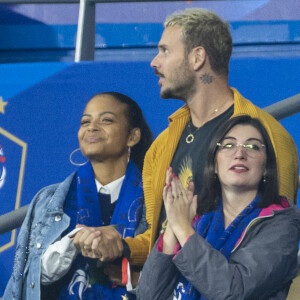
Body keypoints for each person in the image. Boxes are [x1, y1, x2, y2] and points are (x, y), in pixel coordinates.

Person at [124, 7, 298, 264]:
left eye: (165, 51)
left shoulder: (269, 137)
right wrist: (122, 247)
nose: (154, 62)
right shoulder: (160, 147)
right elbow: (159, 235)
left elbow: (273, 242)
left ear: (197, 57)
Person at [3, 92, 153, 300]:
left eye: (106, 120)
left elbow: (175, 273)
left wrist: (132, 276)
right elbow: (27, 280)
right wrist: (73, 242)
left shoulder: (156, 199)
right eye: (85, 122)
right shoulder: (49, 200)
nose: (91, 127)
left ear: (132, 136)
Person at [137, 115, 300, 300]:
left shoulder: (282, 224)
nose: (239, 154)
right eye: (229, 145)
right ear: (214, 164)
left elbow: (232, 291)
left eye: (252, 146)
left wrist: (183, 229)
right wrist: (172, 231)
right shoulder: (197, 218)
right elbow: (148, 296)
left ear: (265, 168)